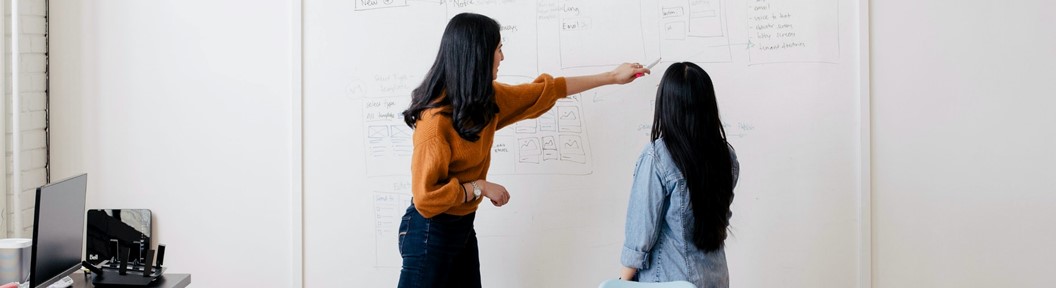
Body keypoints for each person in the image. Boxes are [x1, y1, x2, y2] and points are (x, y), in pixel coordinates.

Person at [398, 12, 651, 288]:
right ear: (478, 55)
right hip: (428, 232)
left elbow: (548, 90)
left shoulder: (485, 101)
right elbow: (426, 198)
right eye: (498, 49)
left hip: (461, 228)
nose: (502, 57)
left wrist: (614, 76)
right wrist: (479, 186)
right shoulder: (434, 124)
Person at [618, 62, 739, 288]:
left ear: (667, 104)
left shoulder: (657, 157)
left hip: (670, 281)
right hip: (717, 278)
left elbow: (640, 237)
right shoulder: (726, 155)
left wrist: (621, 282)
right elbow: (721, 222)